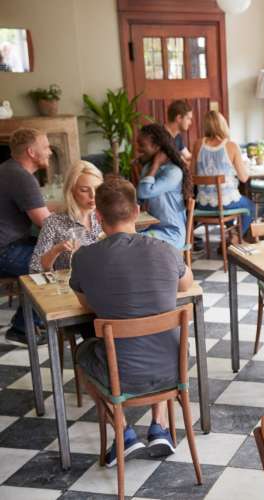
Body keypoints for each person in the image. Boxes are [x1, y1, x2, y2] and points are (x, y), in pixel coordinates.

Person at [72, 176, 193, 466]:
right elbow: (186, 285)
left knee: (81, 354)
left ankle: (124, 432)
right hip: (173, 366)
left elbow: (86, 304)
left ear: (98, 217)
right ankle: (159, 426)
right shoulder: (165, 249)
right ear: (137, 211)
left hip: (120, 373)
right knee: (161, 337)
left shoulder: (84, 257)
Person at [0, 128, 52, 345]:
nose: (49, 152)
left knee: (52, 252)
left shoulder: (8, 169)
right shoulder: (21, 176)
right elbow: (46, 223)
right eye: (46, 147)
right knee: (56, 260)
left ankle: (35, 322)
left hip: (10, 245)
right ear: (32, 152)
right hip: (5, 251)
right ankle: (23, 329)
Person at [191, 110, 255, 238]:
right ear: (223, 125)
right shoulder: (232, 146)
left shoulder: (198, 144)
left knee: (232, 207)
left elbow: (193, 173)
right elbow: (243, 178)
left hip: (203, 205)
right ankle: (235, 238)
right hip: (226, 204)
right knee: (250, 206)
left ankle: (229, 237)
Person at [30, 160, 103, 273]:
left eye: (97, 189)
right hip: (71, 286)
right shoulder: (54, 222)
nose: (93, 195)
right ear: (71, 191)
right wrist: (56, 250)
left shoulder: (107, 216)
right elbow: (36, 267)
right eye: (84, 190)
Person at [136, 123, 192, 250]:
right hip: (151, 228)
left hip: (171, 233)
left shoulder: (174, 172)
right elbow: (138, 198)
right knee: (124, 239)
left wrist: (156, 163)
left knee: (134, 244)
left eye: (142, 145)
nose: (138, 149)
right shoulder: (147, 169)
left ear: (156, 147)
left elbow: (144, 192)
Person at [165, 99, 193, 163]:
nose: (190, 122)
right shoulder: (160, 134)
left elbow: (187, 156)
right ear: (179, 118)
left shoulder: (178, 137)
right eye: (188, 118)